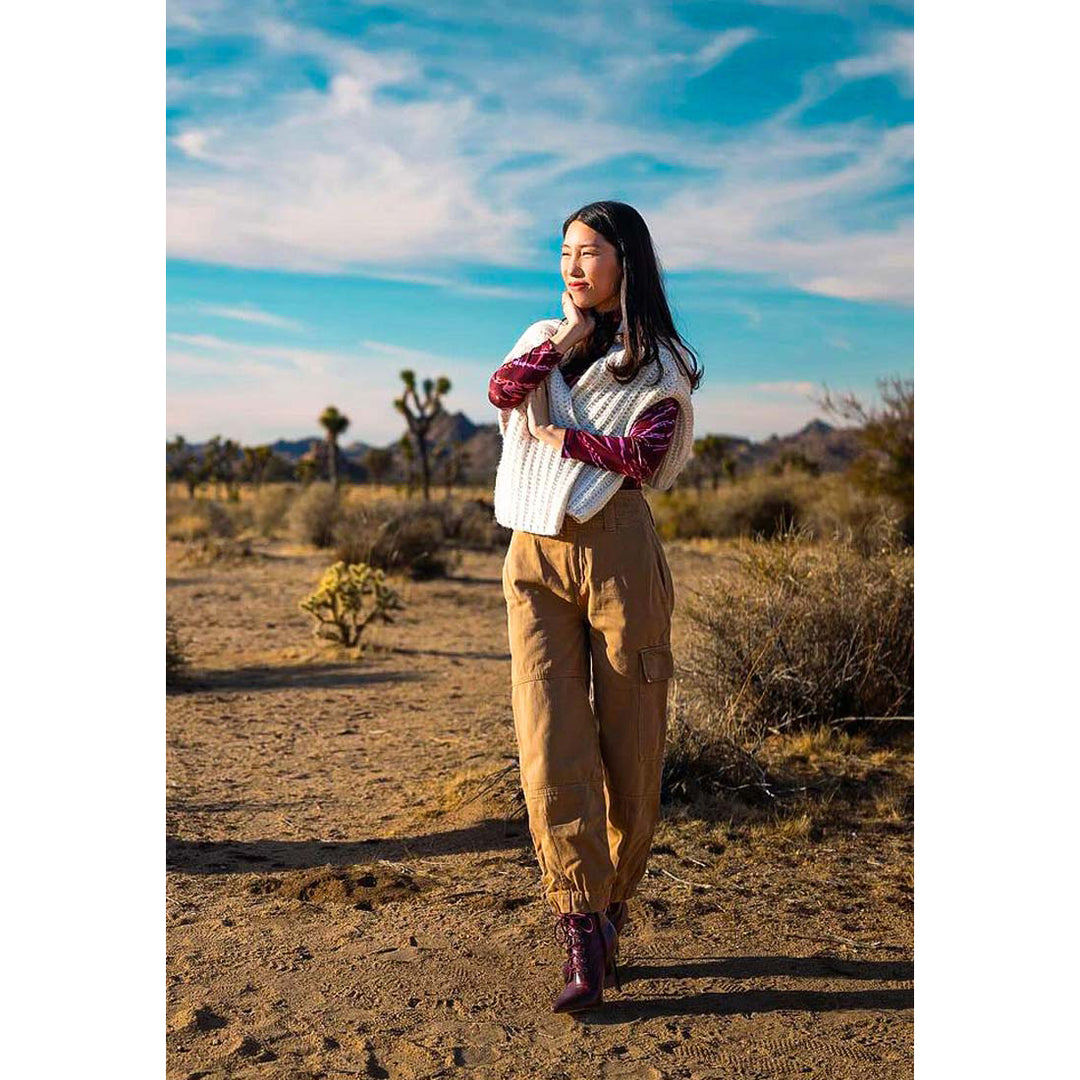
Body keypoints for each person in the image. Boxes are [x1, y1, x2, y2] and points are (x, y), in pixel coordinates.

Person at [487, 200, 703, 1012]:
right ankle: (577, 921)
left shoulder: (662, 364)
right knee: (549, 738)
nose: (574, 267)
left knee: (631, 743)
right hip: (534, 549)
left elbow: (646, 459)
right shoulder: (542, 338)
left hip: (617, 549)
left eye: (590, 253)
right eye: (565, 253)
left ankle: (614, 902)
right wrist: (567, 341)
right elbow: (503, 390)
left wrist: (563, 439)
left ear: (627, 261)